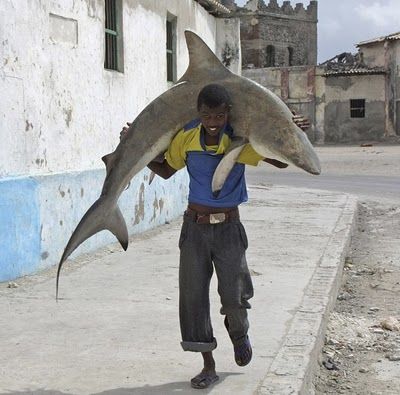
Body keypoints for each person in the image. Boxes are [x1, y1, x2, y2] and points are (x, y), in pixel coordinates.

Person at [121, 84, 308, 389]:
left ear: (227, 114)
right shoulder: (187, 138)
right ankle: (208, 365)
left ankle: (239, 334)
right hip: (194, 229)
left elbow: (279, 159)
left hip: (228, 229)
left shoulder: (237, 141)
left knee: (233, 296)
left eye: (219, 115)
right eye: (207, 114)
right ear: (199, 113)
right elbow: (167, 169)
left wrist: (289, 129)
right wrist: (133, 145)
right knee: (193, 299)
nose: (212, 120)